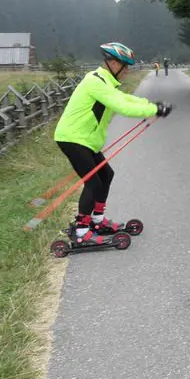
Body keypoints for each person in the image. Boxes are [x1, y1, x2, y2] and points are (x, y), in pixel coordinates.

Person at [54, 42, 172, 246]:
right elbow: (122, 106)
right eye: (125, 66)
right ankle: (81, 231)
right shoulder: (95, 82)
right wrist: (153, 110)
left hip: (87, 141)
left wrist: (152, 105)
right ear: (114, 64)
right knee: (93, 183)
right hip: (73, 138)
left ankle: (97, 221)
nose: (127, 71)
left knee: (107, 175)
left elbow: (125, 99)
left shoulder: (105, 83)